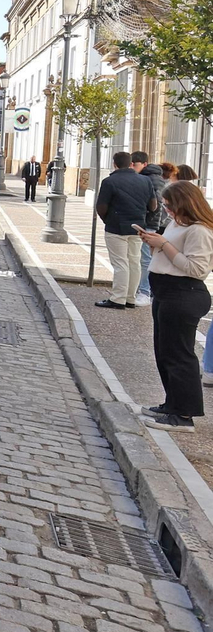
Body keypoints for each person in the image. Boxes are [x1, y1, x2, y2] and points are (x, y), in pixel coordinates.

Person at [139, 182, 213, 432]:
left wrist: (163, 245)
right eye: (164, 204)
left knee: (179, 355)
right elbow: (170, 255)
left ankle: (184, 415)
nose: (166, 208)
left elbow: (197, 269)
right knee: (164, 351)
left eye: (169, 204)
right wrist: (155, 243)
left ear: (184, 203)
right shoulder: (178, 224)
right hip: (165, 291)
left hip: (184, 293)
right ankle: (172, 404)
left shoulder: (199, 231)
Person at [95, 150, 157, 310]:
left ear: (114, 164)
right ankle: (130, 298)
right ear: (131, 164)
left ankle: (118, 298)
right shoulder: (145, 181)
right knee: (134, 261)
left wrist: (108, 220)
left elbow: (101, 207)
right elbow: (153, 205)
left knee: (120, 263)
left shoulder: (109, 181)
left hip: (117, 227)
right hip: (138, 227)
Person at [134, 152, 168, 306]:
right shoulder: (145, 177)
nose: (133, 167)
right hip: (146, 223)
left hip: (150, 224)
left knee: (146, 259)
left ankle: (145, 292)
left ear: (144, 164)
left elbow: (157, 205)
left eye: (135, 164)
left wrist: (153, 223)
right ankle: (144, 290)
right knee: (142, 258)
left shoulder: (153, 179)